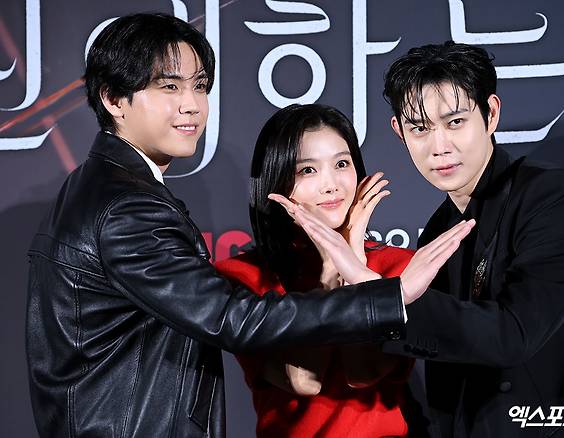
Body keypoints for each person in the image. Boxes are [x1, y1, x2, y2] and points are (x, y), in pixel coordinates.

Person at [24, 15, 473, 438]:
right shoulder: (127, 206)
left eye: (200, 86)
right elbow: (231, 318)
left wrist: (359, 268)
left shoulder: (107, 189)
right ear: (113, 99)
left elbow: (365, 372)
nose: (191, 105)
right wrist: (385, 295)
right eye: (170, 86)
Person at [375, 41, 564, 437]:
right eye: (420, 128)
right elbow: (448, 376)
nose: (439, 147)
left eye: (455, 122)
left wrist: (386, 301)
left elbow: (513, 334)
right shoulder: (438, 230)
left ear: (490, 114)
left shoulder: (552, 197)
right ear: (399, 133)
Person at [215, 104, 416, 437]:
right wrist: (329, 272)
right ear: (276, 181)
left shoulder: (399, 267)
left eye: (342, 164)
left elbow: (363, 371)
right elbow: (303, 379)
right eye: (308, 170)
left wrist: (354, 264)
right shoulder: (243, 277)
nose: (331, 185)